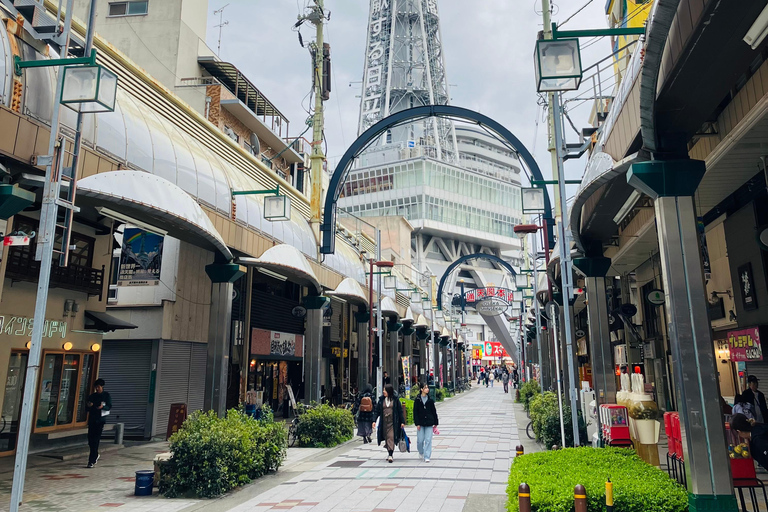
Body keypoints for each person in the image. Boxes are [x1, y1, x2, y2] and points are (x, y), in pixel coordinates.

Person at [373, 384, 405, 463]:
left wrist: (402, 421)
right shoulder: (381, 400)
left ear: (389, 391)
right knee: (387, 437)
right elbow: (377, 411)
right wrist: (374, 420)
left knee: (391, 436)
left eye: (385, 390)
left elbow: (400, 411)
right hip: (384, 422)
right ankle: (389, 452)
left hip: (392, 422)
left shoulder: (395, 400)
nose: (383, 392)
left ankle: (391, 454)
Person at [86, 378, 111, 468]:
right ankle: (95, 454)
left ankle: (91, 460)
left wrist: (103, 407)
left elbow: (109, 406)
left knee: (96, 440)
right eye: (96, 387)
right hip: (92, 419)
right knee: (90, 440)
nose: (97, 389)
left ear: (102, 387)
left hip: (100, 420)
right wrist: (89, 406)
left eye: (99, 387)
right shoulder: (92, 396)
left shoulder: (106, 395)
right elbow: (86, 408)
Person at [413, 382, 439, 463]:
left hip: (429, 422)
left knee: (428, 440)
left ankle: (427, 456)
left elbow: (434, 411)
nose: (427, 389)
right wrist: (417, 423)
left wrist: (435, 422)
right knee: (420, 440)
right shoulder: (417, 400)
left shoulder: (430, 400)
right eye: (425, 388)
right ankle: (421, 452)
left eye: (427, 388)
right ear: (421, 389)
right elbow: (415, 412)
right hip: (420, 423)